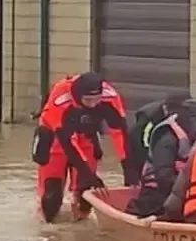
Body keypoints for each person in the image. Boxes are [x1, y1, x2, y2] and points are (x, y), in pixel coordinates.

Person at [32, 72, 129, 223]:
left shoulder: (110, 96)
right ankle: (49, 234)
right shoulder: (60, 98)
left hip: (86, 137)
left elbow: (120, 132)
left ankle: (79, 228)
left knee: (86, 195)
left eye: (97, 100)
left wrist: (128, 167)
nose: (93, 105)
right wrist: (88, 174)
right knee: (52, 196)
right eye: (88, 100)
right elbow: (67, 141)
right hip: (55, 138)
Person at [125, 99, 196, 218]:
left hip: (185, 193)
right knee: (158, 204)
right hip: (156, 194)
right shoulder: (167, 139)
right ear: (192, 126)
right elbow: (163, 176)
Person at [123, 92, 190, 186]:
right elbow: (138, 144)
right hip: (137, 149)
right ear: (165, 108)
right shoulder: (150, 119)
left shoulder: (187, 114)